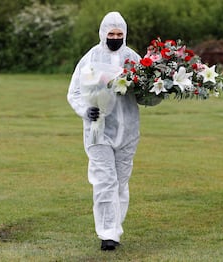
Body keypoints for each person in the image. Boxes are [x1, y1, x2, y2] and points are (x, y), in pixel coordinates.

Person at [67, 11, 141, 251]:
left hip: (128, 130)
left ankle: (115, 227)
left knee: (120, 180)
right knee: (104, 180)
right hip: (98, 129)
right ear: (102, 33)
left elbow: (145, 96)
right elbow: (75, 92)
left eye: (119, 34)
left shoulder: (133, 58)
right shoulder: (90, 58)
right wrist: (84, 111)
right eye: (111, 33)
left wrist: (158, 93)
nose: (115, 37)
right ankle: (107, 233)